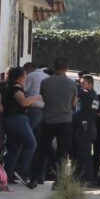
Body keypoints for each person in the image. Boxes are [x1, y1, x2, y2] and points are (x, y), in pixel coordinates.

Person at [33, 57, 77, 185]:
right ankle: (59, 180)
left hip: (48, 120)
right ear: (66, 68)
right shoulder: (71, 83)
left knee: (42, 150)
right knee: (62, 152)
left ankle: (36, 177)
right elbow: (74, 103)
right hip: (65, 121)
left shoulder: (45, 82)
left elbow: (44, 98)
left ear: (54, 67)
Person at [0, 66, 40, 189]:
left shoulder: (7, 86)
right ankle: (20, 171)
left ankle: (7, 174)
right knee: (31, 144)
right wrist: (36, 97)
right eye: (24, 75)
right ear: (20, 77)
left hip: (9, 119)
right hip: (17, 119)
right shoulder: (16, 87)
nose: (26, 78)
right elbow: (22, 102)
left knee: (14, 148)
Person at [71, 74, 97, 183]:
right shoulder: (90, 95)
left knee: (85, 154)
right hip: (83, 126)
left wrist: (75, 84)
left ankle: (87, 178)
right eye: (81, 83)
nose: (81, 85)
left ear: (90, 84)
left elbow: (79, 91)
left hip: (85, 126)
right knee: (79, 153)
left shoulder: (90, 95)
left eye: (83, 83)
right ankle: (79, 176)